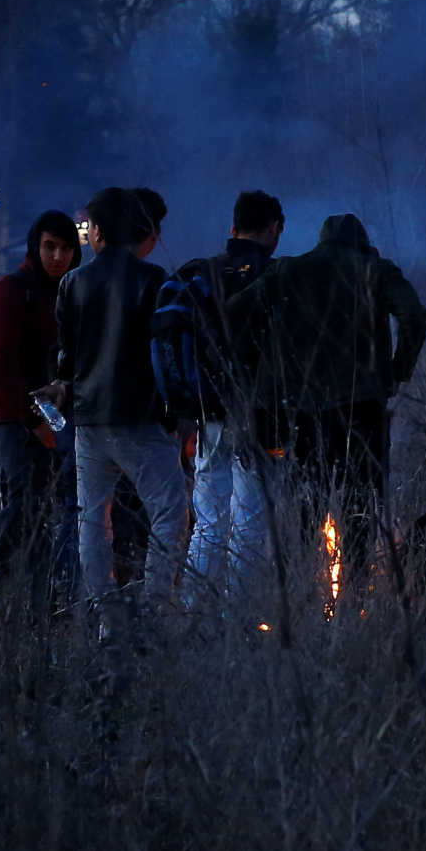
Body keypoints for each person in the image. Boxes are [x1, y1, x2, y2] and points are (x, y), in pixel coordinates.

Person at [227, 211, 426, 582]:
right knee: (360, 503)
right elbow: (414, 316)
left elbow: (236, 313)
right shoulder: (376, 270)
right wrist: (398, 371)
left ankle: (304, 594)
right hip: (362, 408)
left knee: (306, 502)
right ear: (362, 243)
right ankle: (355, 596)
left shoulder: (287, 271)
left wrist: (255, 369)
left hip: (298, 411)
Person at [53, 187, 190, 620]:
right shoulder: (154, 280)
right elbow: (166, 353)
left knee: (92, 519)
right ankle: (154, 608)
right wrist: (175, 410)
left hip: (89, 419)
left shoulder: (72, 282)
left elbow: (66, 358)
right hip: (139, 417)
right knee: (171, 510)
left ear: (98, 231)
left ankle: (103, 614)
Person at [163, 190, 284, 608]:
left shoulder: (203, 274)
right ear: (275, 229)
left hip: (209, 412)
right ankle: (238, 623)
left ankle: (195, 614)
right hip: (260, 415)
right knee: (250, 522)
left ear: (232, 229)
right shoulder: (276, 275)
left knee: (209, 523)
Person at [0, 209, 82, 598]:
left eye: (66, 248)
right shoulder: (10, 290)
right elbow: (1, 366)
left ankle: (40, 603)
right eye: (50, 246)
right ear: (36, 246)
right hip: (14, 417)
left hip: (51, 414)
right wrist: (38, 419)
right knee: (21, 506)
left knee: (40, 511)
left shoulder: (66, 293)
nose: (58, 256)